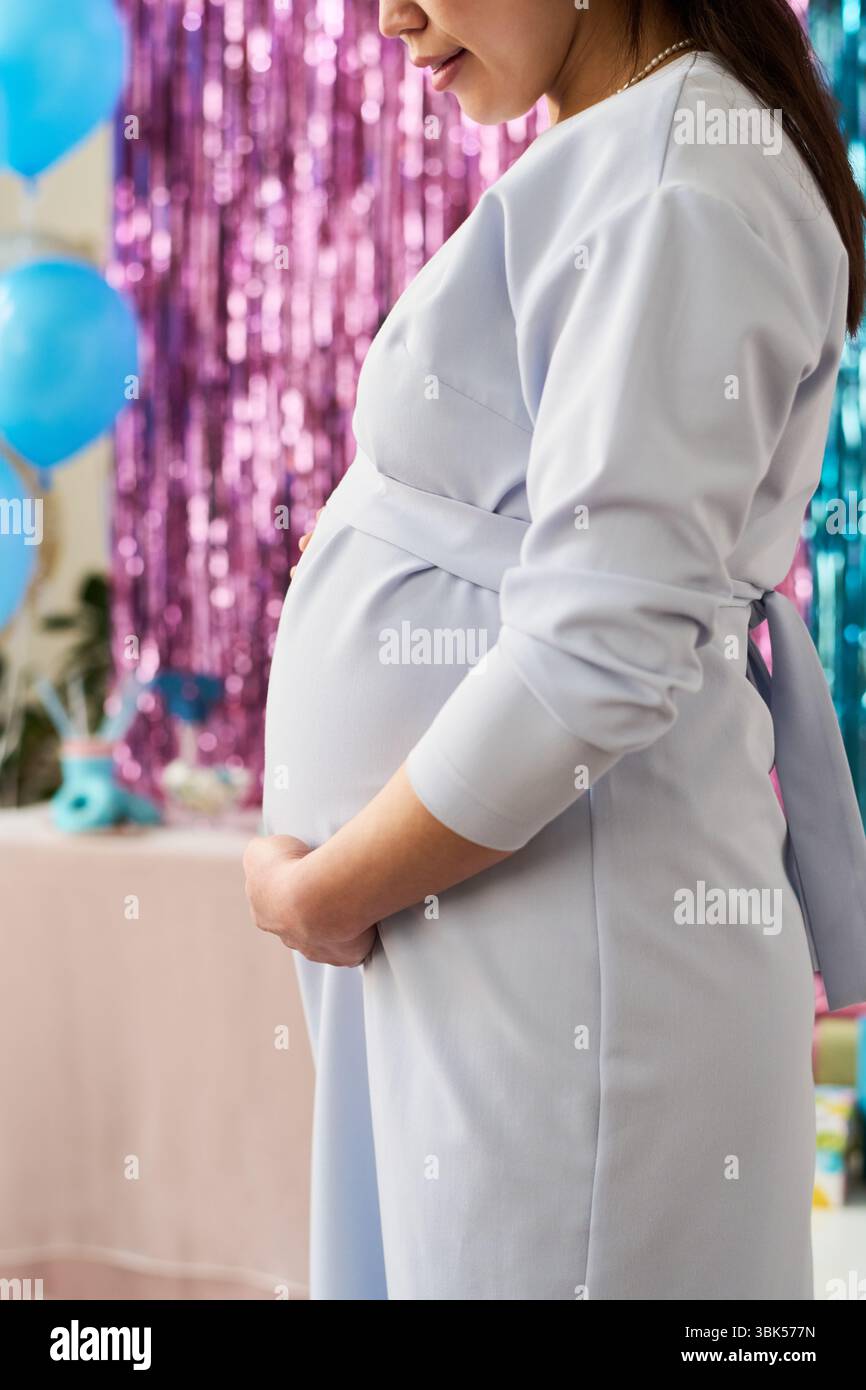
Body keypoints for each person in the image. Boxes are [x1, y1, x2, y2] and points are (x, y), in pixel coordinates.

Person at [245, 0, 866, 1300]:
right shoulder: (638, 146)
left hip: (573, 970)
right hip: (511, 945)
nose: (389, 14)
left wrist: (332, 891)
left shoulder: (679, 182)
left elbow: (601, 645)